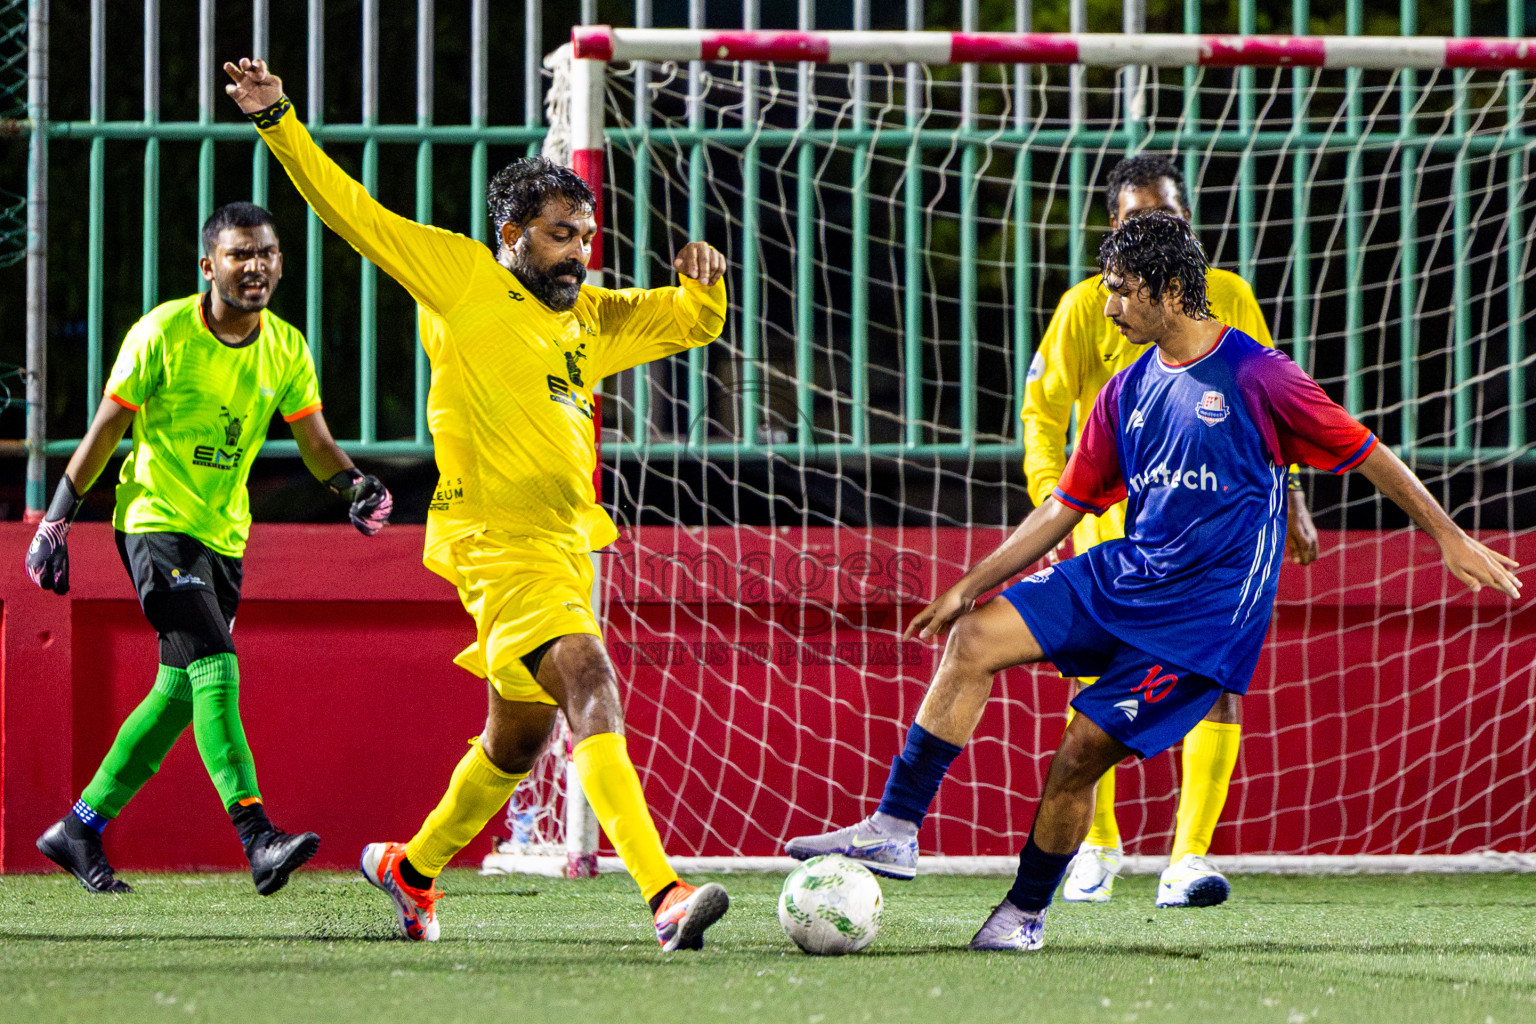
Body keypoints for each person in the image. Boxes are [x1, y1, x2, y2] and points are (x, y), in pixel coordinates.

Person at [787, 210, 1520, 951]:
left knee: (1079, 752)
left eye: (1121, 291)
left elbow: (1367, 451)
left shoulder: (1260, 375)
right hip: (1124, 577)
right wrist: (965, 584)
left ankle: (1023, 914)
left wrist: (1448, 536)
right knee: (973, 637)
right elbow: (1060, 507)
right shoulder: (1127, 389)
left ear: (1170, 290)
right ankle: (896, 827)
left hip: (1201, 625)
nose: (1108, 306)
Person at [223, 58, 732, 950]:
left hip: (565, 543)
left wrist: (704, 278)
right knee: (590, 677)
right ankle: (664, 893)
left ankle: (411, 870)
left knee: (519, 738)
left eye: (585, 235)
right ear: (510, 235)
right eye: (559, 235)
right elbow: (354, 212)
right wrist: (279, 122)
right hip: (496, 540)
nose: (579, 251)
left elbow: (693, 324)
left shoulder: (589, 317)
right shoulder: (460, 278)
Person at [27, 201, 393, 896]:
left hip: (223, 536)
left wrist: (354, 485)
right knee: (217, 666)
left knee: (176, 692)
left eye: (267, 254)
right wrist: (56, 521)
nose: (256, 266)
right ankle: (257, 836)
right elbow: (106, 431)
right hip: (154, 523)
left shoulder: (285, 346)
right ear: (208, 266)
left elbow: (315, 444)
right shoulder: (161, 334)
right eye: (239, 255)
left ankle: (78, 828)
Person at [1020, 154, 1319, 908]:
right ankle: (1097, 846)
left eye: (1170, 217)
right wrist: (1055, 508)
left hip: (1216, 534)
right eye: (1136, 218)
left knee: (1216, 686)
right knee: (1096, 687)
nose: (1155, 229)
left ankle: (1188, 859)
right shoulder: (1088, 307)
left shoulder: (1230, 298)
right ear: (1112, 230)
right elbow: (1043, 413)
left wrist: (1293, 501)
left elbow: (1271, 410)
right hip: (1115, 533)